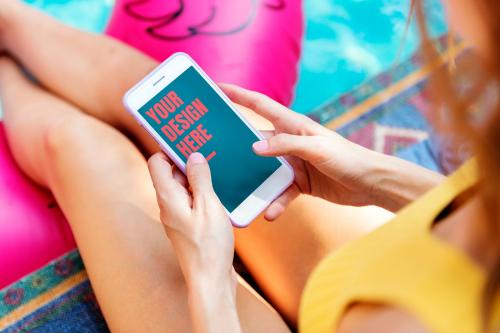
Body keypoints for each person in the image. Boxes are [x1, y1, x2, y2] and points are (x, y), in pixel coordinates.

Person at [0, 1, 497, 333]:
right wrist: (378, 178)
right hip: (408, 263)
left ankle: (6, 82)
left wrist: (210, 283)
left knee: (79, 148)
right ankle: (12, 22)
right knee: (164, 98)